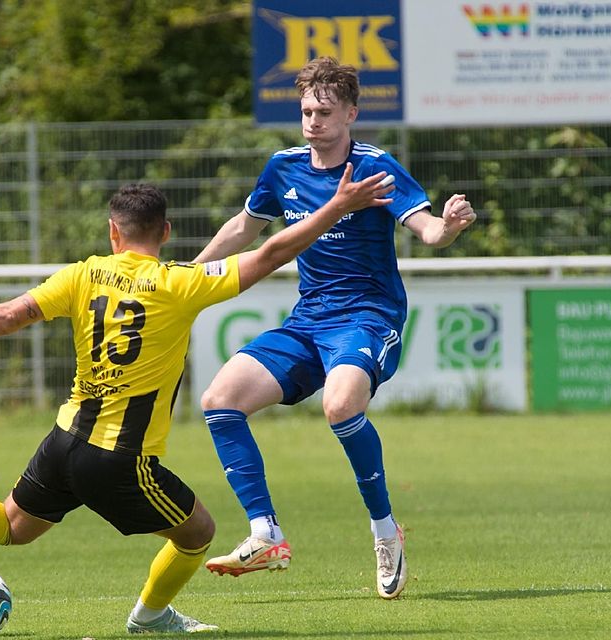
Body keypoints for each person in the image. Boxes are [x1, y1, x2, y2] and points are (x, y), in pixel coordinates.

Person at [0, 173, 395, 634]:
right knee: (198, 533)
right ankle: (150, 617)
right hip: (120, 458)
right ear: (167, 232)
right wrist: (335, 208)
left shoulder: (83, 274)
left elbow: (9, 314)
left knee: (15, 525)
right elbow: (272, 250)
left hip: (63, 440)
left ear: (113, 232)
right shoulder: (180, 283)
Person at [195, 57, 477, 599]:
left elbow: (428, 231)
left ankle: (383, 530)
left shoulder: (377, 166)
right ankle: (265, 532)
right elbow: (242, 228)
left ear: (350, 112)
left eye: (324, 112)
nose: (312, 122)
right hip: (309, 318)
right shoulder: (282, 167)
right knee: (219, 399)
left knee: (340, 405)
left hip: (368, 316)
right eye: (305, 111)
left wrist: (451, 224)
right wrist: (186, 273)